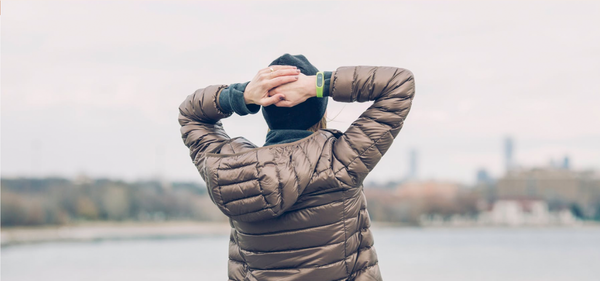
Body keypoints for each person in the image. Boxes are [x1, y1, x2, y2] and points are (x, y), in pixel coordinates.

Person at [178, 54, 416, 281]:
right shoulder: (341, 160)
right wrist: (317, 85)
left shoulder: (228, 170)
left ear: (266, 110)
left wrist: (243, 95)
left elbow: (191, 114)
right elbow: (398, 83)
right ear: (319, 110)